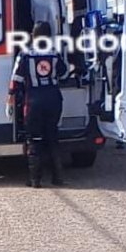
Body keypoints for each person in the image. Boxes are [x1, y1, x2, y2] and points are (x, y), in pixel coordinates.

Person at [7, 21, 73, 188]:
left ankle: (35, 180)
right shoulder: (54, 53)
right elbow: (64, 74)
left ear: (32, 35)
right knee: (52, 137)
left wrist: (11, 96)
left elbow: (16, 79)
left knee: (34, 139)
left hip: (33, 101)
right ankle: (58, 178)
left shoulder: (25, 54)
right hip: (53, 100)